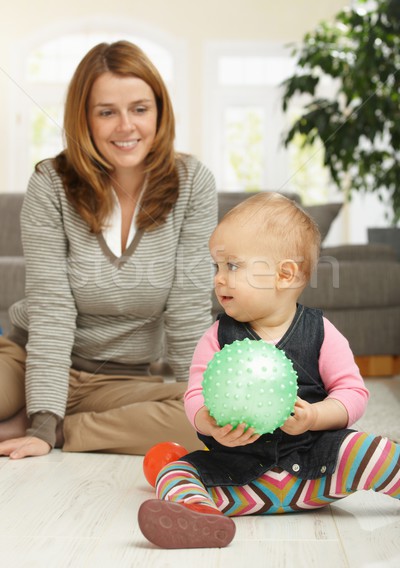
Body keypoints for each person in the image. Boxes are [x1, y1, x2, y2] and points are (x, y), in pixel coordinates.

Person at [137, 192, 400, 549]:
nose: (219, 279)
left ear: (284, 275)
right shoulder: (217, 336)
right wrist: (208, 423)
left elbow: (353, 393)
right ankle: (201, 513)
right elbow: (195, 393)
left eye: (232, 266)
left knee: (369, 448)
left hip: (316, 472)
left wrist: (316, 416)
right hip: (242, 480)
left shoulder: (321, 333)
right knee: (176, 471)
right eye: (216, 266)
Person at [0, 40, 217, 460]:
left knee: (213, 423)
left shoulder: (193, 183)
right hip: (29, 360)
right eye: (106, 112)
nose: (126, 126)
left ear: (159, 111)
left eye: (139, 108)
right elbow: (51, 308)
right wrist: (45, 407)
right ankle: (37, 412)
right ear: (84, 118)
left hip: (119, 383)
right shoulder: (51, 182)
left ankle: (65, 429)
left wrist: (202, 398)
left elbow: (188, 309)